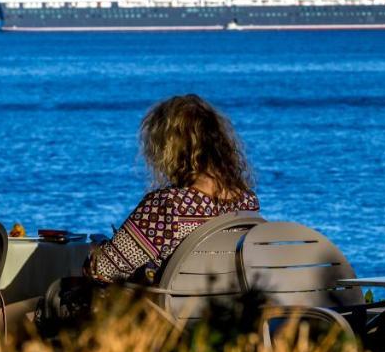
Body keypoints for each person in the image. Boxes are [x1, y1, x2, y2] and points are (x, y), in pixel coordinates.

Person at [86, 94, 260, 285]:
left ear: (169, 150)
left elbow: (104, 270)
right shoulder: (247, 203)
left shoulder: (168, 206)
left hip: (169, 312)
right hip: (225, 309)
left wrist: (96, 251)